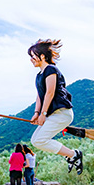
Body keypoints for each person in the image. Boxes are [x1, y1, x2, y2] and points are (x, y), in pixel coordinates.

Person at [28, 39, 83, 174]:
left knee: (40, 140)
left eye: (32, 56)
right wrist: (36, 113)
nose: (31, 59)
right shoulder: (38, 75)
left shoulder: (51, 69)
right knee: (35, 141)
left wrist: (43, 114)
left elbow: (50, 92)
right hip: (52, 114)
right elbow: (40, 96)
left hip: (61, 112)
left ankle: (73, 154)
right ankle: (71, 154)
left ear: (42, 56)